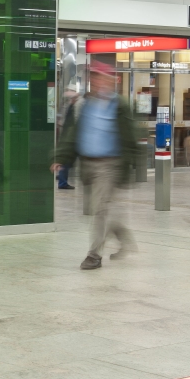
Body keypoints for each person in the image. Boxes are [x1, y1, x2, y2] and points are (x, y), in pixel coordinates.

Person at [51, 61, 138, 270]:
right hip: (88, 165)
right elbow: (74, 134)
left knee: (100, 210)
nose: (97, 81)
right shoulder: (86, 104)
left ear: (110, 80)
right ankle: (124, 239)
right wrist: (62, 157)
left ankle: (94, 255)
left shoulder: (120, 105)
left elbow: (130, 138)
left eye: (100, 77)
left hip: (110, 164)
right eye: (94, 77)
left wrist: (130, 167)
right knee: (98, 209)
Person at [56, 85, 80, 190]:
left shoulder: (71, 105)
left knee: (67, 161)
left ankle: (62, 177)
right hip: (68, 138)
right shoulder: (68, 106)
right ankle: (62, 181)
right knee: (65, 161)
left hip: (70, 137)